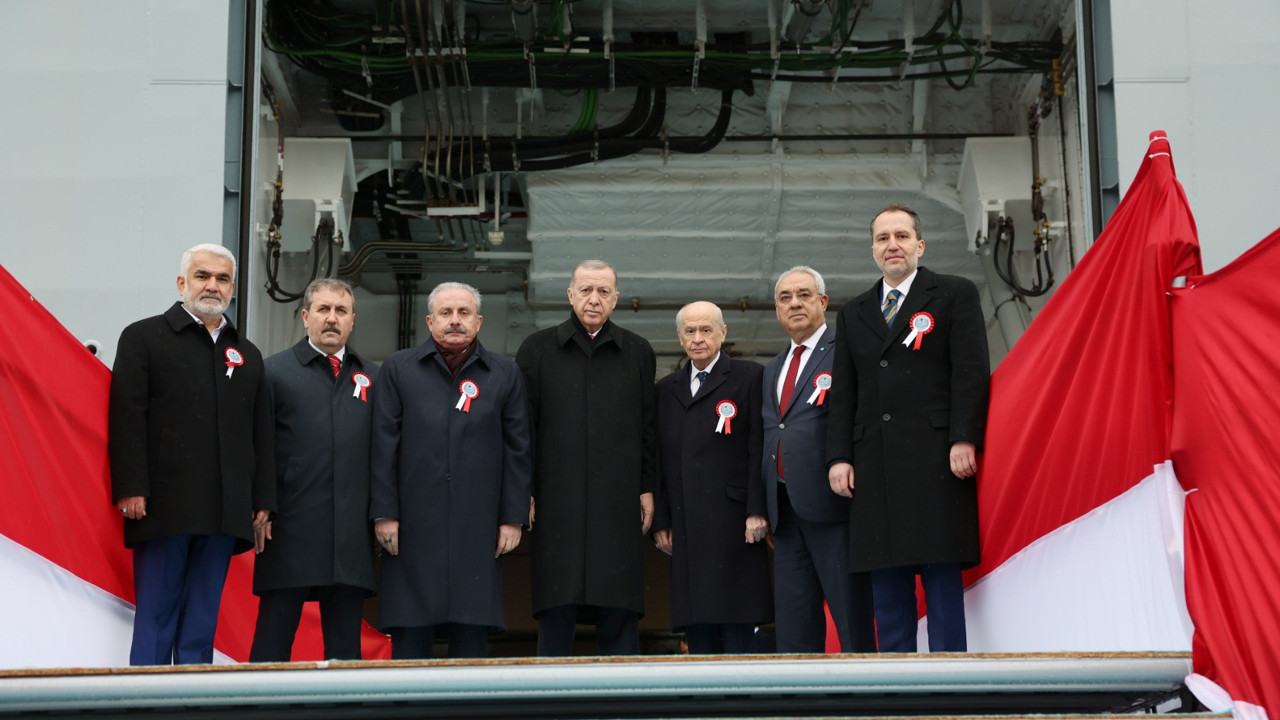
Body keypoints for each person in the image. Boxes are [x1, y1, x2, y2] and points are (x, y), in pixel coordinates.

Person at [826, 203, 990, 653]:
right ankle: (895, 683)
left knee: (941, 578)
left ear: (920, 245)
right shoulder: (854, 311)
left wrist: (963, 436)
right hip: (874, 464)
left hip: (937, 459)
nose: (892, 245)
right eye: (883, 238)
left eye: (901, 236)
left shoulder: (954, 293)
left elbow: (970, 371)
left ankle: (951, 680)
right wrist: (839, 456)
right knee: (888, 585)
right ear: (873, 251)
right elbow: (844, 392)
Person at [109, 243, 275, 665]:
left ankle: (193, 698)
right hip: (162, 507)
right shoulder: (143, 338)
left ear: (233, 288)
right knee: (157, 618)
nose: (212, 286)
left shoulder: (248, 354)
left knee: (202, 623)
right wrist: (131, 486)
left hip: (224, 511)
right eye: (202, 276)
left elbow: (260, 432)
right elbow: (127, 417)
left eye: (222, 279)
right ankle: (144, 699)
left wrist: (262, 500)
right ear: (182, 282)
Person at [370, 282, 531, 658]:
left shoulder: (504, 373)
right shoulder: (398, 368)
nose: (455, 320)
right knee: (411, 639)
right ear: (430, 321)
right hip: (411, 523)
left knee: (470, 637)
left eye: (464, 313)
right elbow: (383, 445)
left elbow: (518, 449)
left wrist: (512, 518)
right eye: (446, 313)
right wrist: (384, 513)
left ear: (479, 322)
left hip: (478, 523)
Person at [515, 259, 658, 656]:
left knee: (619, 608)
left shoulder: (638, 351)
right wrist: (524, 490)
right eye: (586, 290)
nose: (594, 299)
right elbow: (522, 429)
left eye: (603, 292)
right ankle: (550, 693)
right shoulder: (536, 349)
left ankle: (623, 694)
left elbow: (648, 428)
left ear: (616, 299)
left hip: (618, 501)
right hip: (555, 501)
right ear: (570, 295)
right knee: (556, 607)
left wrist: (647, 486)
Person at [250, 278, 376, 661]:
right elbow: (258, 447)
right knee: (272, 647)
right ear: (306, 317)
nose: (332, 318)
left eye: (341, 311)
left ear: (353, 320)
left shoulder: (375, 377)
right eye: (323, 309)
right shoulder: (272, 372)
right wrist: (261, 506)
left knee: (345, 652)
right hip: (288, 531)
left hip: (350, 536)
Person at [761, 266, 876, 653]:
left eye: (804, 295)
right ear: (777, 310)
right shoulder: (772, 368)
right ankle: (800, 694)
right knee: (794, 630)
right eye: (785, 297)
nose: (794, 303)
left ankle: (867, 692)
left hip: (835, 508)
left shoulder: (846, 351)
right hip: (785, 515)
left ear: (823, 302)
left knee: (851, 619)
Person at [653, 302, 772, 654]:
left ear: (723, 333)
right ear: (679, 338)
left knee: (737, 627)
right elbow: (658, 458)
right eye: (690, 331)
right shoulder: (666, 389)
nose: (698, 338)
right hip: (686, 523)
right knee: (699, 628)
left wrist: (757, 509)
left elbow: (759, 447)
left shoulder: (750, 376)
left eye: (706, 330)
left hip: (735, 521)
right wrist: (662, 519)